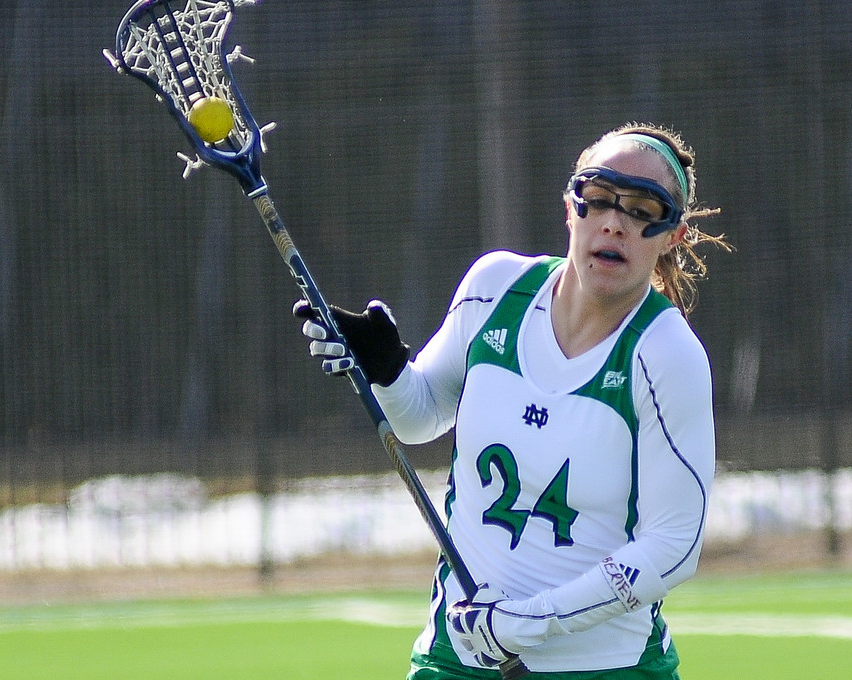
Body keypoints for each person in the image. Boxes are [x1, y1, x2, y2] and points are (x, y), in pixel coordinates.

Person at [294, 122, 727, 679]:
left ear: (673, 236)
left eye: (643, 210)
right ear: (570, 208)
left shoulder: (667, 354)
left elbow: (674, 546)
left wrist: (530, 621)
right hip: (458, 657)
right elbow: (420, 417)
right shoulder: (494, 288)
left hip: (606, 667)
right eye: (598, 198)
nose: (614, 222)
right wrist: (387, 369)